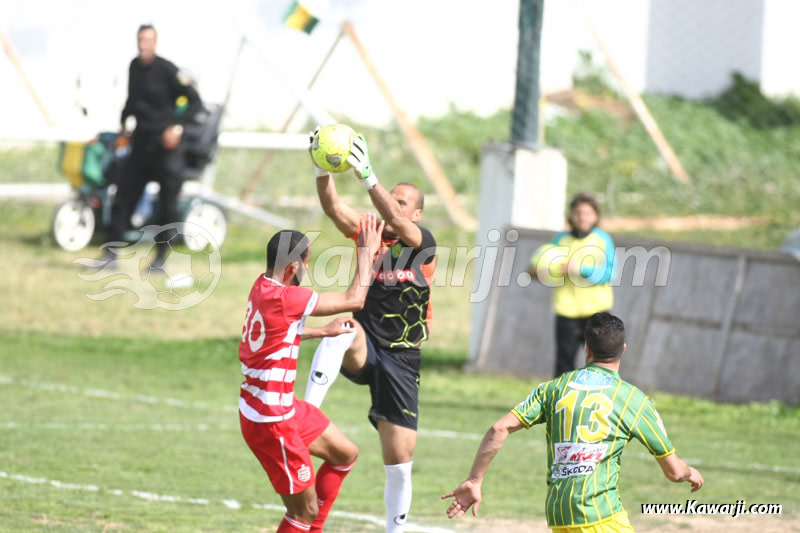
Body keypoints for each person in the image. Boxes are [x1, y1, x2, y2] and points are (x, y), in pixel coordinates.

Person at [442, 312, 704, 532]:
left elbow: (499, 428)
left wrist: (475, 480)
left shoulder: (554, 388)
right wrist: (690, 472)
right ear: (623, 350)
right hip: (601, 516)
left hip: (559, 517)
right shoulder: (633, 400)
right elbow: (674, 472)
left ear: (587, 349)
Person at [303, 131, 437, 532]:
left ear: (416, 214)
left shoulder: (421, 241)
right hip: (365, 345)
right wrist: (320, 167)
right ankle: (309, 411)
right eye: (389, 197)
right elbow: (333, 207)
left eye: (401, 202)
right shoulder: (373, 235)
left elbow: (396, 222)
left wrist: (367, 175)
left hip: (402, 359)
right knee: (344, 326)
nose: (392, 206)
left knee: (400, 462)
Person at [239, 215, 383, 533]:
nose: (307, 269)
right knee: (303, 512)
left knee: (344, 453)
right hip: (272, 421)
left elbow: (278, 333)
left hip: (278, 407)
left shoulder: (262, 286)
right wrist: (366, 253)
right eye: (307, 262)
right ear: (292, 268)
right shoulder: (289, 297)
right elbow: (354, 300)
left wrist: (322, 332)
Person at [100, 24, 202, 268]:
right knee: (123, 196)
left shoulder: (168, 70)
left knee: (167, 206)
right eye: (140, 40)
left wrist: (177, 128)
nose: (143, 44)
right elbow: (133, 99)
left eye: (148, 40)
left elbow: (195, 102)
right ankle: (110, 254)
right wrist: (124, 122)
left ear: (155, 42)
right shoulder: (134, 67)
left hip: (166, 150)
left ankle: (160, 260)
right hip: (141, 146)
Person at [528, 193, 616, 377]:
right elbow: (539, 267)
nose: (582, 217)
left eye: (588, 213)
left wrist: (579, 268)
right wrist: (538, 272)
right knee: (564, 363)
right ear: (571, 215)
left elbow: (609, 273)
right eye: (578, 213)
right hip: (566, 310)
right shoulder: (560, 240)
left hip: (597, 311)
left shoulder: (602, 239)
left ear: (596, 216)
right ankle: (561, 403)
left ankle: (596, 401)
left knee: (599, 363)